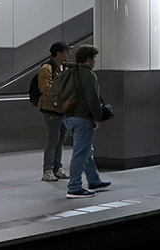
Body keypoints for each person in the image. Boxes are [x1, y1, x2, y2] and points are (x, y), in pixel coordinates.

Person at [63, 45, 111, 198]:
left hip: (68, 116)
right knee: (81, 153)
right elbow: (93, 98)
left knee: (86, 150)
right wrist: (97, 118)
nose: (95, 61)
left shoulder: (70, 72)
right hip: (83, 118)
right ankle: (74, 187)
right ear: (89, 59)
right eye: (94, 58)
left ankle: (94, 180)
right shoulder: (88, 74)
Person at [37, 41, 72, 182]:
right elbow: (44, 88)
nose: (69, 54)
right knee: (53, 140)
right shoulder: (47, 68)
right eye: (66, 51)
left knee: (61, 139)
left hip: (63, 108)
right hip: (51, 109)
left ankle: (57, 168)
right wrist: (63, 91)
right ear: (59, 53)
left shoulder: (64, 67)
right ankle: (47, 170)